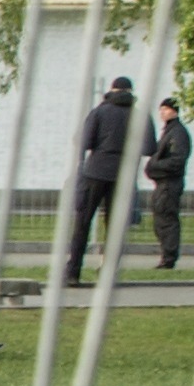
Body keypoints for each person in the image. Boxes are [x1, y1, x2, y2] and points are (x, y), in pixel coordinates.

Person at [66, 75, 137, 280]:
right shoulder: (138, 115)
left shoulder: (100, 111)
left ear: (112, 90)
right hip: (123, 173)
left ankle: (73, 271)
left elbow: (83, 141)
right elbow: (149, 146)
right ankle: (109, 272)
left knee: (83, 222)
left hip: (95, 172)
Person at [144, 92, 194, 271]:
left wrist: (154, 166)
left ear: (174, 111)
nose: (162, 113)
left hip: (169, 184)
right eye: (161, 110)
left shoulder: (178, 133)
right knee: (160, 220)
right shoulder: (169, 131)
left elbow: (177, 160)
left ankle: (169, 258)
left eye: (166, 109)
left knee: (167, 220)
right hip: (162, 184)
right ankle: (166, 255)